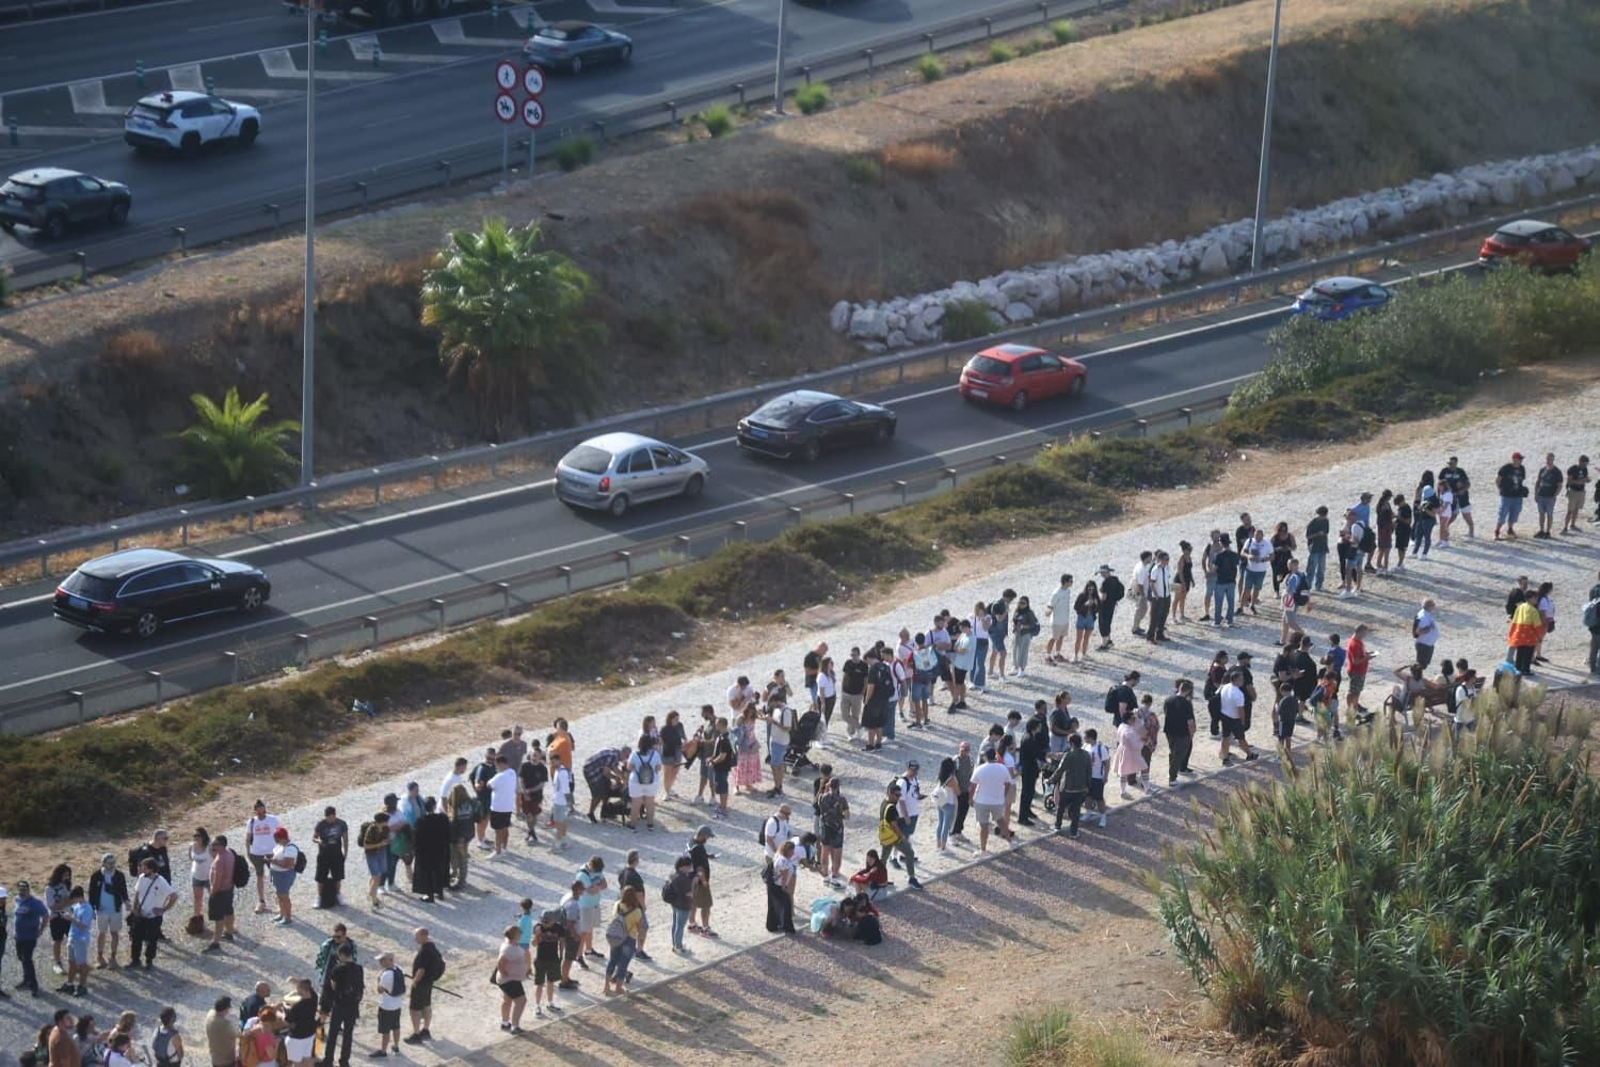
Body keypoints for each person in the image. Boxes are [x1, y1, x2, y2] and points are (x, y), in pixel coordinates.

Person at [317, 943, 362, 1067]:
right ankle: (344, 1062)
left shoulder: (338, 968)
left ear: (341, 955)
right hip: (353, 1006)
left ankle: (328, 1060)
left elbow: (333, 986)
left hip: (340, 1005)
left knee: (333, 1034)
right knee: (348, 1034)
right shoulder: (359, 968)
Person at [129, 858, 175, 971]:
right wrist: (135, 908)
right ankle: (135, 960)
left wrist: (163, 909)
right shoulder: (141, 878)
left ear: (151, 869)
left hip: (153, 917)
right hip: (141, 915)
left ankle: (149, 961)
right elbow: (137, 893)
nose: (141, 869)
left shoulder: (161, 882)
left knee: (151, 940)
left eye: (144, 868)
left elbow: (174, 896)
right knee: (136, 938)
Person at [88, 854, 127, 971]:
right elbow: (91, 893)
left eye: (113, 863)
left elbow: (124, 891)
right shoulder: (96, 876)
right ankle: (100, 958)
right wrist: (92, 909)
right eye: (109, 863)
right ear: (103, 863)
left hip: (115, 909)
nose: (112, 865)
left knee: (115, 933)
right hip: (101, 910)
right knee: (101, 933)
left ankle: (113, 958)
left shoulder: (119, 875)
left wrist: (127, 902)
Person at [1049, 734, 1093, 838]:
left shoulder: (1068, 755)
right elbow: (1089, 772)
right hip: (1080, 788)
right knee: (1076, 811)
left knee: (1061, 807)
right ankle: (1074, 832)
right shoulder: (1086, 755)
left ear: (1072, 743)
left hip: (1067, 787)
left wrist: (1051, 780)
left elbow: (1060, 770)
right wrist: (1088, 786)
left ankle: (1057, 826)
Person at [603, 889, 644, 997]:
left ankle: (606, 987)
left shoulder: (617, 905)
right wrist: (640, 942)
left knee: (612, 961)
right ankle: (618, 988)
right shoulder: (637, 911)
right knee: (623, 964)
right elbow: (640, 927)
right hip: (629, 939)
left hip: (616, 937)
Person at [968, 750, 1010, 853]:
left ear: (986, 757)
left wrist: (970, 799)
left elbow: (973, 786)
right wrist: (1003, 795)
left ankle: (983, 849)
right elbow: (1008, 783)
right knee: (1000, 821)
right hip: (997, 801)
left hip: (981, 801)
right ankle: (1010, 841)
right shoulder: (1003, 768)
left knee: (984, 826)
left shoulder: (980, 769)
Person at [411, 797, 451, 903]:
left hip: (426, 852)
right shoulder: (443, 818)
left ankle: (430, 895)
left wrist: (415, 849)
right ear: (434, 806)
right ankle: (440, 892)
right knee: (439, 870)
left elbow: (416, 838)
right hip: (440, 849)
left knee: (427, 873)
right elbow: (448, 834)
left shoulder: (421, 821)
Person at [1217, 671, 1259, 767]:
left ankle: (1225, 757)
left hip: (1224, 715)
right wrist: (1242, 721)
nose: (1243, 681)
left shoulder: (1225, 687)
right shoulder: (1238, 694)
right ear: (1236, 680)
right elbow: (1240, 710)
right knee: (1241, 738)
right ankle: (1249, 754)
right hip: (1235, 718)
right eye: (1241, 679)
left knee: (1225, 737)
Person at [245, 803, 279, 915]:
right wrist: (248, 852)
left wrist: (282, 849)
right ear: (255, 812)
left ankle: (279, 900)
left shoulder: (273, 819)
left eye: (264, 811)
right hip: (256, 853)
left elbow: (281, 834)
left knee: (275, 876)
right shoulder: (251, 822)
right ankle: (261, 901)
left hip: (271, 852)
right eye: (259, 812)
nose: (262, 814)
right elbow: (248, 838)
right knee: (259, 876)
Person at [529, 908, 565, 1015]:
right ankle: (537, 1005)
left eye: (546, 921)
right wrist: (537, 935)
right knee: (539, 983)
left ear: (553, 920)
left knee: (551, 982)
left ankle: (550, 1003)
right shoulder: (538, 927)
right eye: (543, 921)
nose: (544, 923)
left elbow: (562, 942)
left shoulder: (559, 928)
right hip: (540, 959)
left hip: (553, 958)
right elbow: (534, 944)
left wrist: (561, 955)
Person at [494, 925, 529, 1034]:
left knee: (507, 1000)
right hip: (510, 981)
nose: (521, 934)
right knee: (521, 1001)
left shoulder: (508, 943)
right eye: (519, 933)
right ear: (515, 935)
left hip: (508, 980)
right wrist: (504, 974)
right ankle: (515, 1026)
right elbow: (500, 962)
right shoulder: (509, 949)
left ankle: (505, 1023)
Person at [312, 807, 348, 910]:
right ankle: (319, 897)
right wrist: (319, 841)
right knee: (320, 877)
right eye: (329, 818)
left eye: (333, 817)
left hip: (337, 854)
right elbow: (314, 838)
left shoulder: (341, 824)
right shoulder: (321, 824)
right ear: (326, 816)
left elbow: (345, 839)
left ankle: (338, 894)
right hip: (323, 854)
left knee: (338, 876)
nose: (331, 819)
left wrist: (345, 852)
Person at [815, 777, 849, 886]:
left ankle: (825, 875)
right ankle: (834, 876)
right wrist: (839, 816)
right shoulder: (842, 799)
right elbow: (847, 816)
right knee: (837, 853)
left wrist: (825, 788)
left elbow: (818, 803)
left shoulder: (822, 797)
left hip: (825, 827)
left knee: (825, 851)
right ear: (838, 787)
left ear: (829, 785)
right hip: (837, 828)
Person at [1163, 680, 1198, 785]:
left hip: (1169, 731)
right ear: (1188, 691)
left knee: (1172, 752)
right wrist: (1192, 734)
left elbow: (1166, 713)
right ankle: (1172, 779)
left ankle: (1171, 772)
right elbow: (1190, 722)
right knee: (1178, 755)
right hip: (1182, 733)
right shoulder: (1186, 703)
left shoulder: (1168, 700)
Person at [687, 825, 718, 939]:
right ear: (702, 835)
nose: (707, 839)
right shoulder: (698, 848)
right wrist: (704, 882)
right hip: (700, 881)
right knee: (706, 905)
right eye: (707, 837)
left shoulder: (691, 842)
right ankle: (705, 929)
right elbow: (700, 868)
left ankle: (692, 925)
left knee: (693, 903)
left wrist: (707, 856)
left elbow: (695, 858)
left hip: (690, 879)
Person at [627, 735, 663, 831]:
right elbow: (659, 768)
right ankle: (650, 825)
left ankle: (633, 825)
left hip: (636, 781)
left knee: (636, 804)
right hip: (651, 781)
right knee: (650, 803)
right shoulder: (655, 754)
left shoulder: (634, 754)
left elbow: (629, 767)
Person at [764, 840, 799, 935]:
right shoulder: (783, 861)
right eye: (791, 851)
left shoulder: (778, 856)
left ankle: (773, 925)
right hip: (779, 886)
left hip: (774, 885)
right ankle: (786, 927)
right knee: (786, 907)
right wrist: (785, 887)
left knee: (774, 906)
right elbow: (784, 875)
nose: (793, 853)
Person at [487, 755, 518, 855]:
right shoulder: (512, 772)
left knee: (498, 831)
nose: (496, 768)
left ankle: (497, 852)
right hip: (508, 807)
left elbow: (489, 785)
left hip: (498, 808)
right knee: (505, 828)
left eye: (496, 765)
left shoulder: (499, 776)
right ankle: (504, 847)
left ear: (500, 764)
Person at [357, 812, 390, 909]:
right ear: (381, 822)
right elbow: (366, 845)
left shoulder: (385, 828)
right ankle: (373, 899)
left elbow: (386, 838)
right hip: (371, 854)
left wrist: (385, 842)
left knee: (378, 874)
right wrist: (380, 844)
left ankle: (371, 893)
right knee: (377, 876)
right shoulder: (371, 829)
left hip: (381, 852)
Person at [281, 981, 317, 1067]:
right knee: (308, 1060)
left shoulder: (297, 1006)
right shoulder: (314, 997)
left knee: (297, 1064)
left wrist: (283, 1010)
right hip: (310, 1034)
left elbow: (286, 1022)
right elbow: (307, 984)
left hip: (296, 1038)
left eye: (298, 988)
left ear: (302, 990)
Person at [1507, 590, 1543, 675]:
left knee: (1520, 651)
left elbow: (1514, 619)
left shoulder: (1520, 607)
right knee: (1528, 653)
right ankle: (1525, 670)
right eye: (1535, 598)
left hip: (1519, 632)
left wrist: (1513, 631)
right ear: (1531, 598)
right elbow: (1537, 624)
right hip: (1529, 634)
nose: (1536, 600)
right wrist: (1539, 635)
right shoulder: (1533, 610)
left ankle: (1518, 668)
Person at [1495, 451, 1528, 540]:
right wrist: (1500, 489)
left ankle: (1510, 529)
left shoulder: (1522, 468)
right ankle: (1497, 531)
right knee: (1503, 513)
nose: (1521, 461)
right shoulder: (1506, 468)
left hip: (1518, 495)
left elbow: (1521, 480)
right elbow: (1498, 480)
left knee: (1515, 513)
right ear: (1514, 459)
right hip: (1507, 495)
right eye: (1519, 459)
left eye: (1521, 459)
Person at [1533, 452, 1563, 539]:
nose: (1548, 461)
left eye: (1550, 459)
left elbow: (1560, 485)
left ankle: (1548, 531)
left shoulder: (1557, 471)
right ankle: (1541, 530)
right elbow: (1538, 482)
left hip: (1550, 496)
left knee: (1549, 514)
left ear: (1553, 460)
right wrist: (1536, 494)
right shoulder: (1542, 470)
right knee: (1541, 514)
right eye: (1547, 459)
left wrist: (1555, 495)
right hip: (1541, 495)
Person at [203, 999, 237, 1067]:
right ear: (225, 1009)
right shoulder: (225, 1024)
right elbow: (237, 1034)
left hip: (215, 1058)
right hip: (226, 1060)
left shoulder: (210, 1014)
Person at [1563, 454, 1590, 535]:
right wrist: (1578, 481)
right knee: (1570, 510)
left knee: (1577, 509)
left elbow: (1585, 478)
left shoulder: (1585, 469)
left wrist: (1587, 480)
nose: (1585, 466)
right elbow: (1569, 481)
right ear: (1580, 462)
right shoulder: (1573, 469)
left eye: (1586, 464)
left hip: (1581, 491)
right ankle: (1565, 527)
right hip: (1573, 491)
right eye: (1584, 464)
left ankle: (1573, 524)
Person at [1413, 599, 1440, 670]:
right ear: (1428, 606)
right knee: (1420, 666)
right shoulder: (1423, 617)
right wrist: (1430, 628)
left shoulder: (1427, 614)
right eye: (1433, 605)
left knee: (1423, 665)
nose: (1434, 607)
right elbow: (1418, 632)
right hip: (1423, 645)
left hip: (1427, 644)